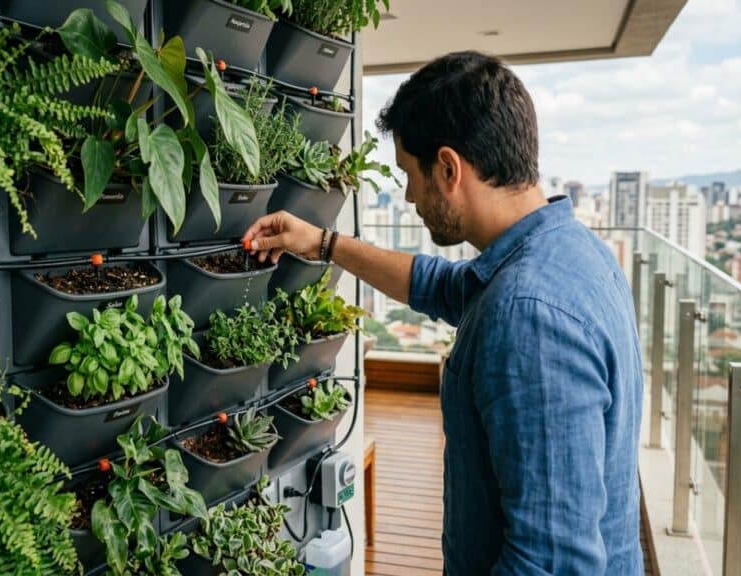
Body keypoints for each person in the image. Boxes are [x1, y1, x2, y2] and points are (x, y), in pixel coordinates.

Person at [242, 51, 643, 575]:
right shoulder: (569, 253)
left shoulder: (530, 315)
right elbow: (439, 284)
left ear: (449, 168)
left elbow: (552, 563)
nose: (409, 195)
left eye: (410, 174)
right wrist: (321, 242)